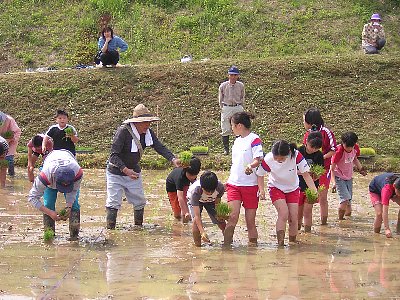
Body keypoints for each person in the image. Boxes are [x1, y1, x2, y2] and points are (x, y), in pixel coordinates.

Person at [106, 103, 180, 229]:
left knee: (139, 201)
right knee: (113, 202)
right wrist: (125, 170)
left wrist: (173, 159)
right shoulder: (123, 132)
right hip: (116, 172)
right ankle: (110, 230)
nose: (148, 125)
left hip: (133, 172)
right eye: (145, 122)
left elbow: (159, 147)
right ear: (136, 123)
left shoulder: (148, 132)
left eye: (149, 122)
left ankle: (138, 228)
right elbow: (113, 155)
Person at [257, 140, 317, 246]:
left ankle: (292, 242)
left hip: (293, 188)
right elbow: (260, 174)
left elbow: (306, 175)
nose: (278, 160)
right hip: (276, 187)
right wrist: (261, 190)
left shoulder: (296, 155)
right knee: (283, 213)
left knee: (293, 217)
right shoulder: (268, 159)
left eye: (282, 158)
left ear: (288, 153)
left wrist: (314, 191)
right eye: (276, 158)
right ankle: (280, 244)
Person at [224, 112, 263, 246]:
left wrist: (250, 166)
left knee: (250, 220)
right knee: (232, 217)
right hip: (234, 184)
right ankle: (226, 246)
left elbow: (258, 159)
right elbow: (236, 163)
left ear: (239, 125)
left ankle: (253, 251)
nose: (232, 129)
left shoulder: (254, 139)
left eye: (233, 126)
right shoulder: (237, 140)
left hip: (250, 185)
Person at [27, 149, 83, 240]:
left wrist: (69, 206)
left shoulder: (78, 173)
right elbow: (32, 198)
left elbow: (73, 191)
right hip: (51, 161)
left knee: (74, 205)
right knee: (48, 204)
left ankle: (74, 237)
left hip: (67, 156)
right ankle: (49, 236)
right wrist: (49, 212)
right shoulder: (45, 176)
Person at [303, 108, 337, 225]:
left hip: (323, 169)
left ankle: (323, 223)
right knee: (307, 197)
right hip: (308, 171)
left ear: (310, 122)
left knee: (322, 197)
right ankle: (306, 222)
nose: (303, 123)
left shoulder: (326, 132)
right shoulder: (307, 134)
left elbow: (333, 150)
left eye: (304, 121)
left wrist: (320, 158)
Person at [330, 132, 367, 220]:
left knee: (349, 202)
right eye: (347, 147)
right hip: (339, 177)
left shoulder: (355, 148)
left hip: (349, 177)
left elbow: (355, 158)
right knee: (345, 200)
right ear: (343, 143)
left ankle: (348, 221)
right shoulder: (338, 151)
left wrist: (361, 169)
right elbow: (331, 169)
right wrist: (333, 183)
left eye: (352, 146)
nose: (350, 149)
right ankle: (340, 221)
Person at [188, 171, 226, 246]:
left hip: (211, 201)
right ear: (202, 187)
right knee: (196, 222)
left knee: (220, 220)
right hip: (197, 201)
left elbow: (217, 202)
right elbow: (197, 215)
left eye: (212, 191)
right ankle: (197, 245)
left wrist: (219, 214)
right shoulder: (196, 192)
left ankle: (228, 241)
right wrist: (202, 232)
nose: (210, 193)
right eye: (207, 191)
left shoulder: (220, 188)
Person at [297, 131, 324, 232]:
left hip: (312, 186)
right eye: (312, 147)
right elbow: (292, 169)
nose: (313, 150)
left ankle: (307, 233)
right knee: (298, 212)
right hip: (299, 185)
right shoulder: (298, 152)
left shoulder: (319, 155)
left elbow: (320, 171)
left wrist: (316, 176)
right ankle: (297, 232)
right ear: (306, 142)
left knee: (308, 211)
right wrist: (304, 173)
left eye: (316, 148)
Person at [219, 65, 245, 155]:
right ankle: (226, 150)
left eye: (235, 75)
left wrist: (241, 106)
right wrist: (222, 108)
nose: (233, 77)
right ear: (228, 75)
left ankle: (239, 148)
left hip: (237, 106)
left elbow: (242, 96)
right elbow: (220, 98)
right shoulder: (223, 85)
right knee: (225, 128)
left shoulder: (241, 85)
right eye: (231, 75)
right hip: (227, 107)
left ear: (237, 76)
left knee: (239, 127)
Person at [166, 156, 201, 222]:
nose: (193, 177)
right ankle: (180, 218)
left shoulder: (192, 174)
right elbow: (180, 197)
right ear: (185, 171)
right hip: (172, 187)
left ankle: (185, 221)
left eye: (195, 175)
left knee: (186, 200)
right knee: (177, 213)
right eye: (190, 175)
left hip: (185, 184)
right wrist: (186, 212)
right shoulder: (180, 178)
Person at [369, 173, 400, 238]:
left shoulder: (397, 186)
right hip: (375, 190)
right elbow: (384, 211)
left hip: (392, 189)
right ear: (394, 186)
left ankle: (398, 231)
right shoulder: (387, 189)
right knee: (379, 213)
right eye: (399, 193)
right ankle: (376, 235)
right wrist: (387, 229)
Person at [0, 111, 21, 176]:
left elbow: (16, 131)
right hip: (2, 140)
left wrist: (9, 139)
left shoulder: (9, 120)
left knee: (9, 157)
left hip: (11, 140)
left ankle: (11, 174)